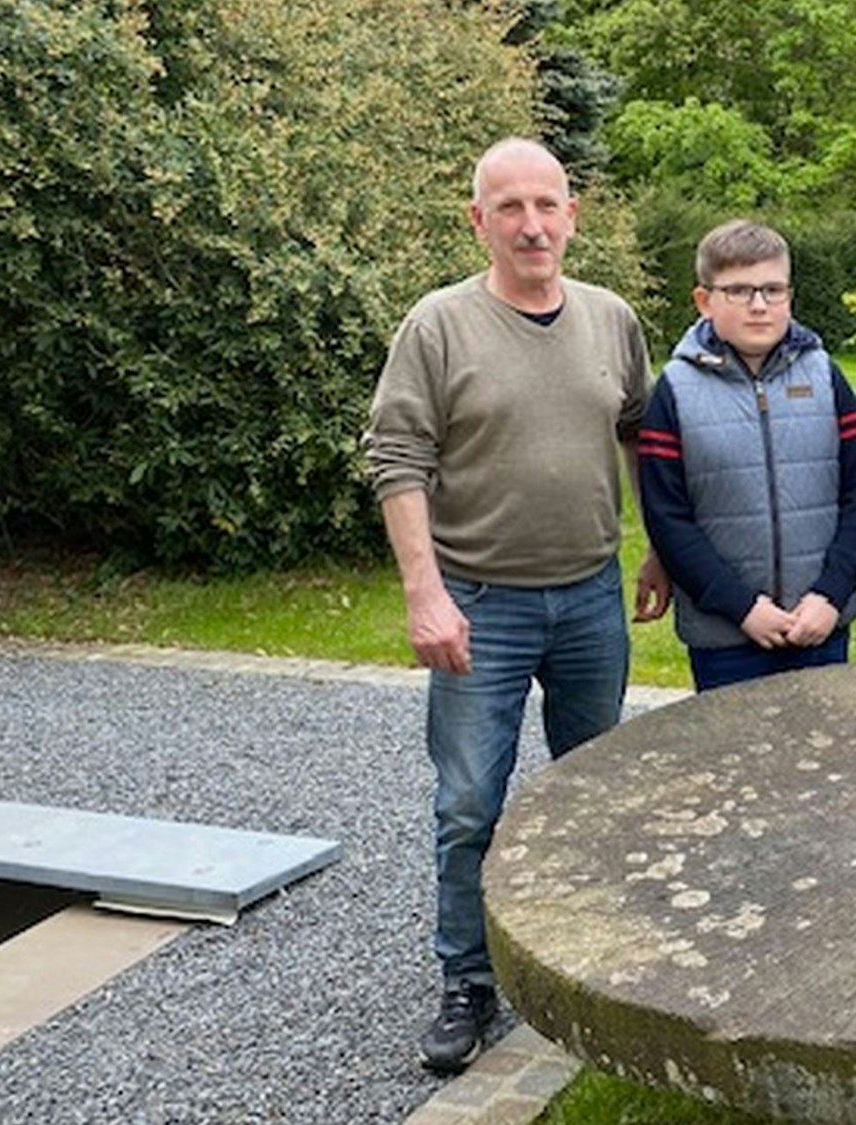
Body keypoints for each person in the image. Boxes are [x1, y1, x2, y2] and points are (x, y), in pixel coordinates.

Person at [361, 137, 669, 1074]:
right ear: (478, 220)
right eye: (510, 209)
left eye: (548, 204)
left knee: (592, 790)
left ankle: (589, 954)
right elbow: (396, 459)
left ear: (573, 213)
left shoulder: (611, 318)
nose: (532, 225)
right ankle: (467, 980)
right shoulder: (438, 326)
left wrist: (657, 544)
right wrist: (426, 594)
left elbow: (639, 434)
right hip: (479, 605)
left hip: (587, 599)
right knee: (468, 804)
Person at [637, 220, 856, 690]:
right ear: (704, 301)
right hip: (726, 635)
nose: (760, 305)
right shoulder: (675, 392)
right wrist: (742, 607)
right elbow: (667, 517)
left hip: (819, 627)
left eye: (773, 289)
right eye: (739, 291)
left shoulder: (825, 377)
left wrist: (830, 594)